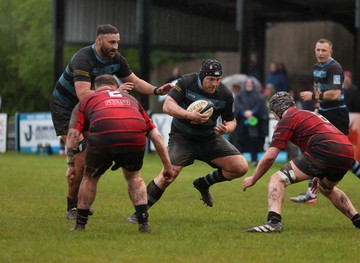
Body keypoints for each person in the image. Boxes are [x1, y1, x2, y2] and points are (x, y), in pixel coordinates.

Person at [50, 24, 173, 220]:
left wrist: (157, 90)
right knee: (81, 158)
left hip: (93, 108)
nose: (115, 46)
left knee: (93, 154)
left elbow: (136, 81)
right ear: (99, 40)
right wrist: (114, 92)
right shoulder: (83, 58)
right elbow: (82, 94)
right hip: (66, 108)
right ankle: (72, 206)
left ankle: (81, 200)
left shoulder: (116, 59)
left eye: (117, 42)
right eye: (111, 42)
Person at [127, 59, 249, 223]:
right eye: (211, 79)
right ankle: (139, 214)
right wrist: (189, 115)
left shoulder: (225, 94)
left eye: (218, 80)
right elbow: (167, 106)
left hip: (209, 138)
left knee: (240, 167)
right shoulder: (186, 82)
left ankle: (203, 183)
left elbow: (232, 121)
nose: (215, 84)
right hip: (182, 138)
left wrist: (226, 129)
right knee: (167, 176)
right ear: (202, 76)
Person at [242, 92, 360, 233]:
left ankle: (273, 223)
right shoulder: (307, 114)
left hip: (324, 149)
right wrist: (318, 172)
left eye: (273, 113)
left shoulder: (287, 119)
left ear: (277, 110)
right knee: (326, 188)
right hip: (347, 152)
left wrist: (254, 178)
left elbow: (269, 157)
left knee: (277, 179)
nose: (274, 117)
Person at [67, 75, 173, 232]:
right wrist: (167, 166)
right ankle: (143, 223)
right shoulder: (131, 100)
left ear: (95, 87)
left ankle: (80, 225)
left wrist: (70, 165)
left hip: (104, 135)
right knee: (134, 178)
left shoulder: (87, 99)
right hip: (133, 134)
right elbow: (155, 136)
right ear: (115, 86)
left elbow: (72, 135)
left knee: (90, 178)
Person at [294, 38, 360, 206]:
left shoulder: (335, 68)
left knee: (343, 154)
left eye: (323, 50)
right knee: (311, 148)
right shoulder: (317, 67)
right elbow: (319, 90)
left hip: (337, 114)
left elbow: (334, 94)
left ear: (330, 52)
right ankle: (311, 193)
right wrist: (317, 108)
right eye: (318, 50)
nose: (320, 53)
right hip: (324, 113)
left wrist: (313, 97)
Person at [234, 77, 269, 166]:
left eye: (250, 83)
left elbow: (260, 106)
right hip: (242, 122)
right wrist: (243, 112)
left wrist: (252, 112)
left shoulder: (258, 95)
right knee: (240, 140)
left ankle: (254, 159)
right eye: (247, 83)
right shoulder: (239, 95)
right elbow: (237, 105)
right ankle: (239, 159)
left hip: (255, 123)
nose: (249, 85)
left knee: (254, 140)